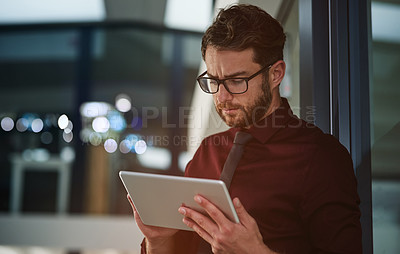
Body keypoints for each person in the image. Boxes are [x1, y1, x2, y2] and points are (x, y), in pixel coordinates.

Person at [127, 4, 362, 254]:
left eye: (236, 80)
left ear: (275, 74)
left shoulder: (321, 157)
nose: (222, 97)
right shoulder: (207, 152)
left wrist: (255, 251)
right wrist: (157, 240)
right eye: (214, 81)